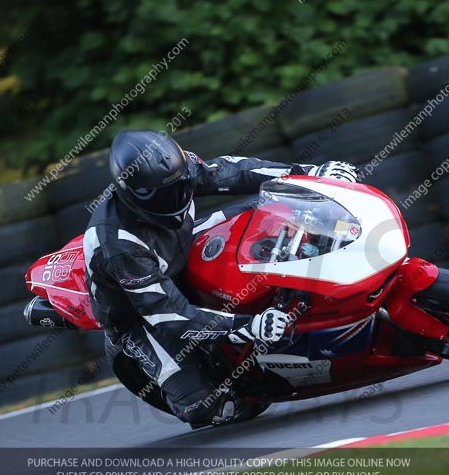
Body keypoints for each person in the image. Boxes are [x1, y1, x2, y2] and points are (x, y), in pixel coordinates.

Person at [83, 130, 358, 428]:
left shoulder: (177, 170)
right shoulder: (118, 245)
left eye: (180, 187)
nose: (177, 197)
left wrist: (309, 174)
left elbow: (231, 171)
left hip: (181, 249)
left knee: (274, 212)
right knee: (206, 407)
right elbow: (168, 314)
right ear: (131, 193)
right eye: (163, 195)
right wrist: (246, 326)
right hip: (141, 315)